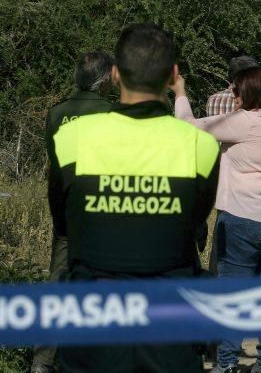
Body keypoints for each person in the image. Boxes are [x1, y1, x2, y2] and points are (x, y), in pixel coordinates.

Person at [51, 24, 220, 373]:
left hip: (90, 327)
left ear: (114, 74)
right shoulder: (200, 146)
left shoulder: (71, 139)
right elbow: (193, 226)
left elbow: (62, 224)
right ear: (173, 75)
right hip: (168, 329)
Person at [171, 66, 261, 373]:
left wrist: (179, 92)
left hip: (245, 217)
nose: (231, 95)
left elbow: (186, 126)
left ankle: (228, 363)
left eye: (236, 91)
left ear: (250, 93)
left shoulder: (243, 122)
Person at [32, 51, 114, 373]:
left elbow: (57, 169)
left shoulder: (56, 113)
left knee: (58, 280)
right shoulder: (113, 115)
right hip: (102, 213)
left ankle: (43, 360)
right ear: (105, 79)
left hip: (66, 210)